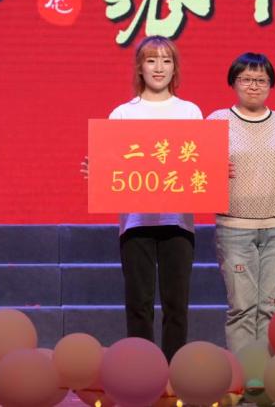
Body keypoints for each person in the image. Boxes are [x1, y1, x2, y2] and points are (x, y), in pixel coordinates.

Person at [86, 36, 202, 361]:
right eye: (151, 60)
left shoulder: (190, 112)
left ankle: (174, 370)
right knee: (139, 302)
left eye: (166, 60)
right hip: (135, 222)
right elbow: (111, 165)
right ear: (140, 67)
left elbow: (199, 162)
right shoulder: (123, 114)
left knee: (176, 303)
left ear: (175, 68)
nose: (159, 68)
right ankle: (141, 368)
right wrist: (98, 170)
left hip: (178, 222)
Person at [207, 52, 275, 353]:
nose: (254, 86)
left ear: (271, 85)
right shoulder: (217, 121)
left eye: (261, 80)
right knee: (241, 308)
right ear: (233, 82)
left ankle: (269, 375)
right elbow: (197, 170)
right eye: (246, 79)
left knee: (273, 309)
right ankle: (245, 375)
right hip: (235, 227)